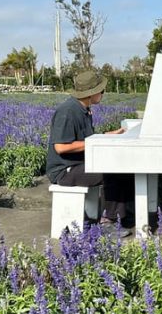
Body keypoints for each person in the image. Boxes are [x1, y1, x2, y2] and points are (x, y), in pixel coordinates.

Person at [46, 70, 133, 237]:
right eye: (101, 90)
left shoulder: (83, 109)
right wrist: (94, 143)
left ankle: (117, 214)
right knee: (112, 173)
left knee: (123, 168)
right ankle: (108, 222)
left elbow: (87, 138)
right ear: (91, 93)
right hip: (64, 171)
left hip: (78, 163)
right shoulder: (68, 112)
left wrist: (107, 135)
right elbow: (61, 147)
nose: (103, 93)